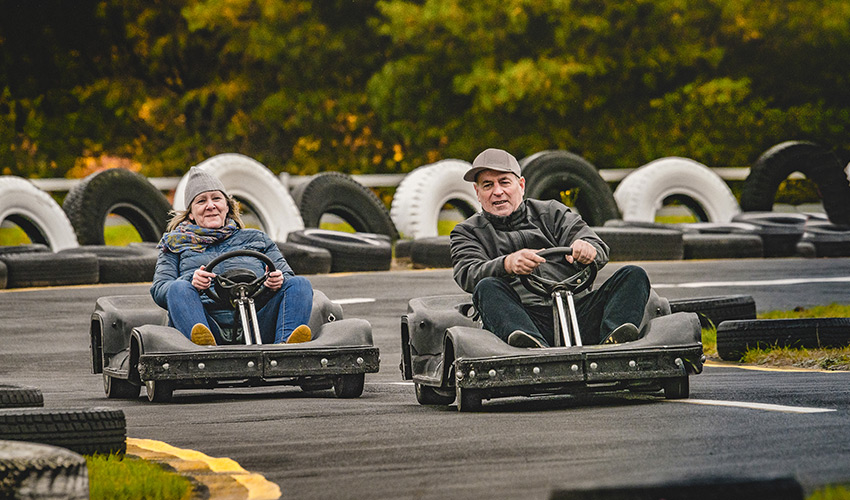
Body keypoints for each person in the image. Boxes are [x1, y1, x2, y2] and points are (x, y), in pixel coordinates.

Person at [450, 148, 651, 348]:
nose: (497, 191)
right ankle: (531, 348)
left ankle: (614, 344)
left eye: (504, 182)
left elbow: (596, 245)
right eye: (487, 185)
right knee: (487, 287)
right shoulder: (467, 232)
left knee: (633, 275)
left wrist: (587, 249)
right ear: (477, 192)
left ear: (520, 185)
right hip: (523, 316)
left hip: (578, 309)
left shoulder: (551, 212)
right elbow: (468, 273)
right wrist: (507, 264)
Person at [151, 166, 313, 346]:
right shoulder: (174, 244)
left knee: (299, 284)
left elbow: (287, 277)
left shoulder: (257, 238)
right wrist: (192, 281)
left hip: (257, 323)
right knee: (178, 287)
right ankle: (205, 350)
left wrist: (274, 282)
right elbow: (159, 289)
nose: (210, 205)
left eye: (216, 198)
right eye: (201, 201)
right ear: (190, 213)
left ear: (227, 206)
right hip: (207, 321)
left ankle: (286, 348)